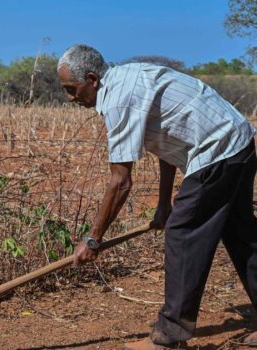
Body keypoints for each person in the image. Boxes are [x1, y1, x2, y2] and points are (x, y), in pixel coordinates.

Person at [57, 44, 257, 350]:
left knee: (182, 233)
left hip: (217, 149)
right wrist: (164, 204)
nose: (70, 98)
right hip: (237, 141)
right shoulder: (128, 77)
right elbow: (168, 142)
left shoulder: (118, 101)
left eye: (72, 89)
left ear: (92, 79)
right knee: (241, 232)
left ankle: (170, 336)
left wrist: (94, 238)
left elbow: (120, 182)